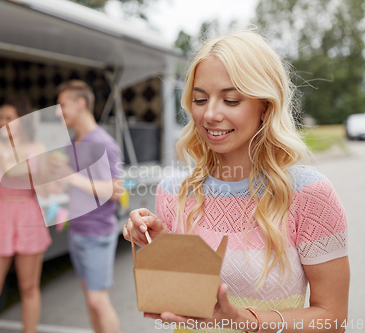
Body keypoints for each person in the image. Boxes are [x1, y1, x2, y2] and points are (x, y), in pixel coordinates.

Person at [123, 31, 349, 333]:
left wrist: (244, 320)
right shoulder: (171, 191)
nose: (210, 114)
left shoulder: (309, 194)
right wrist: (160, 244)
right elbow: (179, 305)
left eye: (230, 99)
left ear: (265, 106)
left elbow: (332, 318)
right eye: (200, 99)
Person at [50, 80, 124, 333]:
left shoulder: (102, 142)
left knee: (97, 300)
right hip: (77, 230)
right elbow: (77, 187)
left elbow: (115, 190)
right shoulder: (72, 143)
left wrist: (70, 176)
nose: (59, 111)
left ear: (81, 104)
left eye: (63, 105)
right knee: (90, 299)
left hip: (98, 232)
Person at [0, 96, 51, 333]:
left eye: (9, 117)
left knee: (28, 288)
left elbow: (46, 189)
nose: (2, 122)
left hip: (28, 214)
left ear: (22, 121)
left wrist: (32, 167)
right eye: (0, 117)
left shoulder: (37, 148)